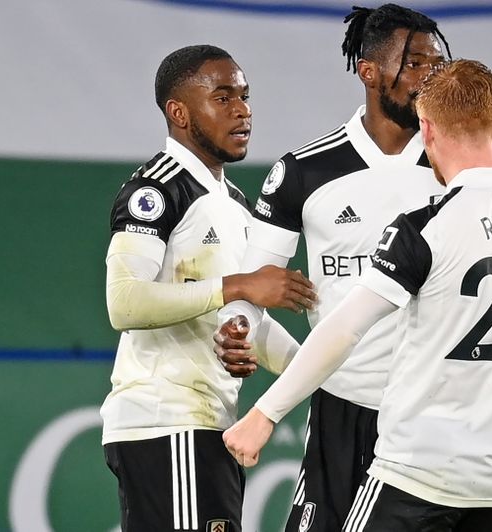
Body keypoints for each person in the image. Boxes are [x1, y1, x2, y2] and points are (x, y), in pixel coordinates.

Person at [222, 58, 492, 532]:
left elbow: (346, 327)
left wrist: (265, 414)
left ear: (427, 129)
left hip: (414, 473)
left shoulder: (424, 229)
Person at [100, 45, 316, 532]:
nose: (242, 110)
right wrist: (242, 284)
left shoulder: (235, 203)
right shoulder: (155, 190)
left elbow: (242, 323)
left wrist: (321, 375)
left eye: (244, 96)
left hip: (210, 427)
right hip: (167, 425)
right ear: (178, 112)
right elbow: (124, 302)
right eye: (222, 98)